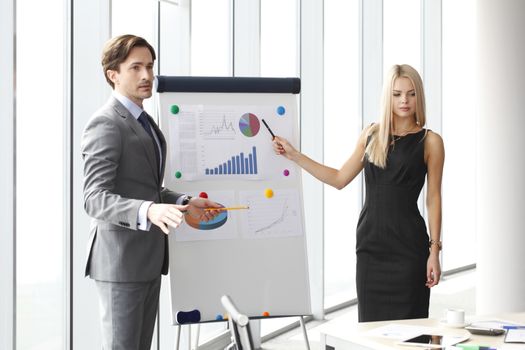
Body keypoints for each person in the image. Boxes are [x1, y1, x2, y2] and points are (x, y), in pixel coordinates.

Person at [273, 64, 444, 322]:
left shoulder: (431, 141)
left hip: (409, 250)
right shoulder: (372, 135)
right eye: (397, 94)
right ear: (388, 97)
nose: (405, 101)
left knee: (411, 333)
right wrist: (295, 156)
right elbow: (340, 178)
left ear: (419, 96)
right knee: (370, 334)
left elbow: (434, 198)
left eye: (411, 93)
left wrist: (434, 251)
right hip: (371, 247)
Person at [81, 34, 220, 349]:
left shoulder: (146, 122)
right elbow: (94, 197)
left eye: (150, 66)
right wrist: (149, 211)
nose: (147, 76)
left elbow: (146, 187)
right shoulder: (106, 124)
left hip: (147, 258)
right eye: (136, 68)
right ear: (112, 75)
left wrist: (183, 201)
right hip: (120, 262)